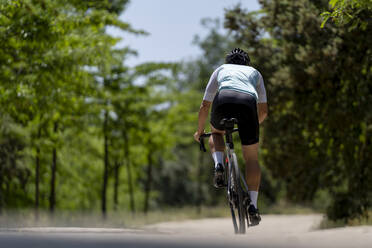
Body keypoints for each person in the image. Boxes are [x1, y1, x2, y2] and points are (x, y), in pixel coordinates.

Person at [193, 48, 268, 225]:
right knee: (251, 158)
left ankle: (219, 164)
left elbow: (204, 105)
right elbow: (263, 111)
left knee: (217, 133)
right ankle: (254, 207)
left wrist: (200, 131)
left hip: (223, 100)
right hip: (248, 104)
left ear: (229, 61)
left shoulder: (221, 69)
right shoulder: (255, 73)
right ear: (247, 63)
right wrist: (248, 126)